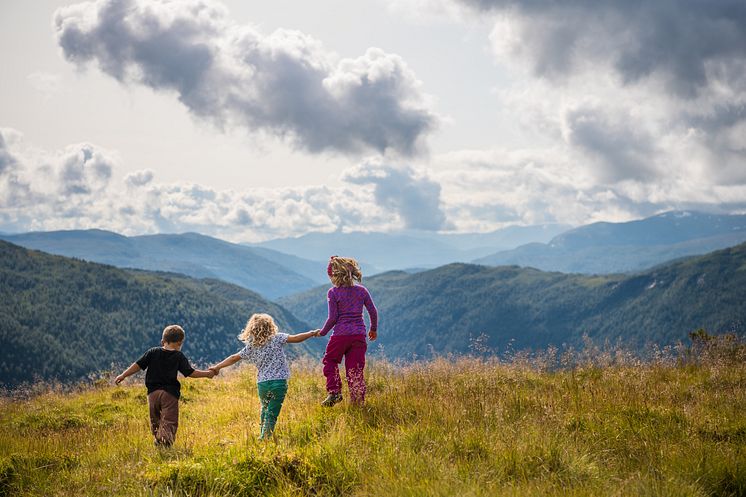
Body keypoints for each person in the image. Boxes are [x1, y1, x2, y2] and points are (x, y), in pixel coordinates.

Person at [209, 313, 318, 440]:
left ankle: (262, 434)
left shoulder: (251, 347)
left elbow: (233, 358)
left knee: (265, 409)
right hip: (279, 383)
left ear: (252, 329)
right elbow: (296, 338)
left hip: (262, 384)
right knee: (272, 412)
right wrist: (312, 333)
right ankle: (264, 438)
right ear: (270, 326)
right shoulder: (277, 338)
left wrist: (217, 367)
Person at [115, 324, 215, 447]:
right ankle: (165, 443)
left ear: (163, 341)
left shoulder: (152, 352)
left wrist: (123, 375)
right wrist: (207, 374)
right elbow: (190, 373)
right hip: (170, 394)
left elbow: (138, 365)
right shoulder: (179, 356)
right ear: (180, 343)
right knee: (169, 419)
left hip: (152, 393)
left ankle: (157, 439)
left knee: (155, 418)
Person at [318, 256, 378, 407]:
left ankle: (335, 392)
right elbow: (373, 311)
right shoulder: (362, 291)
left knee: (330, 361)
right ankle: (358, 403)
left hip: (340, 335)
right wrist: (373, 329)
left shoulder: (333, 292)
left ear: (335, 275)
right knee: (355, 370)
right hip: (359, 336)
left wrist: (323, 332)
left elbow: (333, 318)